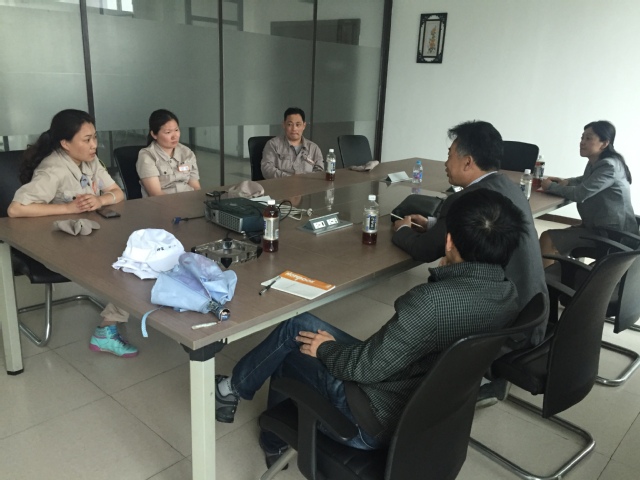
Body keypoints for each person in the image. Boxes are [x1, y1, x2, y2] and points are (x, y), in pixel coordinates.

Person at [215, 189, 526, 467]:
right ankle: (232, 388)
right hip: (425, 412)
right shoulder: (507, 292)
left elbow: (364, 369)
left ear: (448, 241)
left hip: (370, 419)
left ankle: (271, 437)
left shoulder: (431, 302)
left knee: (295, 342)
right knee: (300, 324)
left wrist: (326, 349)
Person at [391, 120, 548, 406]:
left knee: (425, 312)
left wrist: (401, 229)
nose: (445, 162)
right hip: (532, 313)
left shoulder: (467, 197)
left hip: (504, 325)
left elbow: (425, 250)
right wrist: (435, 223)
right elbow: (481, 225)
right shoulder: (507, 186)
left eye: (449, 154)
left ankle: (455, 382)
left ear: (467, 161)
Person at [7, 109, 138, 358]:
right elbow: (16, 209)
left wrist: (101, 200)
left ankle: (118, 315)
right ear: (65, 143)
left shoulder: (90, 161)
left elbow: (117, 192)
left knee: (138, 253)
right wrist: (68, 208)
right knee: (130, 262)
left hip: (87, 238)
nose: (94, 145)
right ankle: (106, 331)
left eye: (95, 137)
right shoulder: (53, 169)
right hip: (58, 245)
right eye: (86, 139)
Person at [539, 121, 637, 268]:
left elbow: (580, 194)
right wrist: (567, 181)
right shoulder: (600, 161)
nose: (582, 142)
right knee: (555, 240)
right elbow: (586, 179)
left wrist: (551, 187)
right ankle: (560, 274)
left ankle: (546, 282)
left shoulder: (608, 166)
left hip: (612, 236)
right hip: (603, 227)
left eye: (588, 138)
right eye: (582, 137)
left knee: (548, 239)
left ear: (604, 143)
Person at [136, 109, 201, 197]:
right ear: (154, 134)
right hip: (163, 203)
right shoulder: (147, 156)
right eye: (168, 132)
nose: (175, 136)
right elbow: (156, 194)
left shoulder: (187, 152)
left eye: (176, 130)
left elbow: (196, 187)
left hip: (189, 200)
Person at [261, 107, 324, 179]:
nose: (294, 128)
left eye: (298, 124)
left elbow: (319, 171)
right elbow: (267, 169)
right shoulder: (273, 144)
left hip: (306, 185)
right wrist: (290, 179)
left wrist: (305, 181)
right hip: (281, 184)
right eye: (289, 124)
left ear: (304, 126)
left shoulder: (313, 148)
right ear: (284, 124)